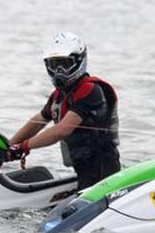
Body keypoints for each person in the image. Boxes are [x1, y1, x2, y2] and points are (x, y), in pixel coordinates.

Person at [6, 32, 120, 190]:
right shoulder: (58, 96)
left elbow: (62, 130)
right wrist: (7, 146)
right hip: (83, 169)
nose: (59, 72)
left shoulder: (90, 90)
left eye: (65, 65)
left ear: (80, 61)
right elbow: (37, 121)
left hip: (102, 172)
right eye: (54, 65)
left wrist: (23, 147)